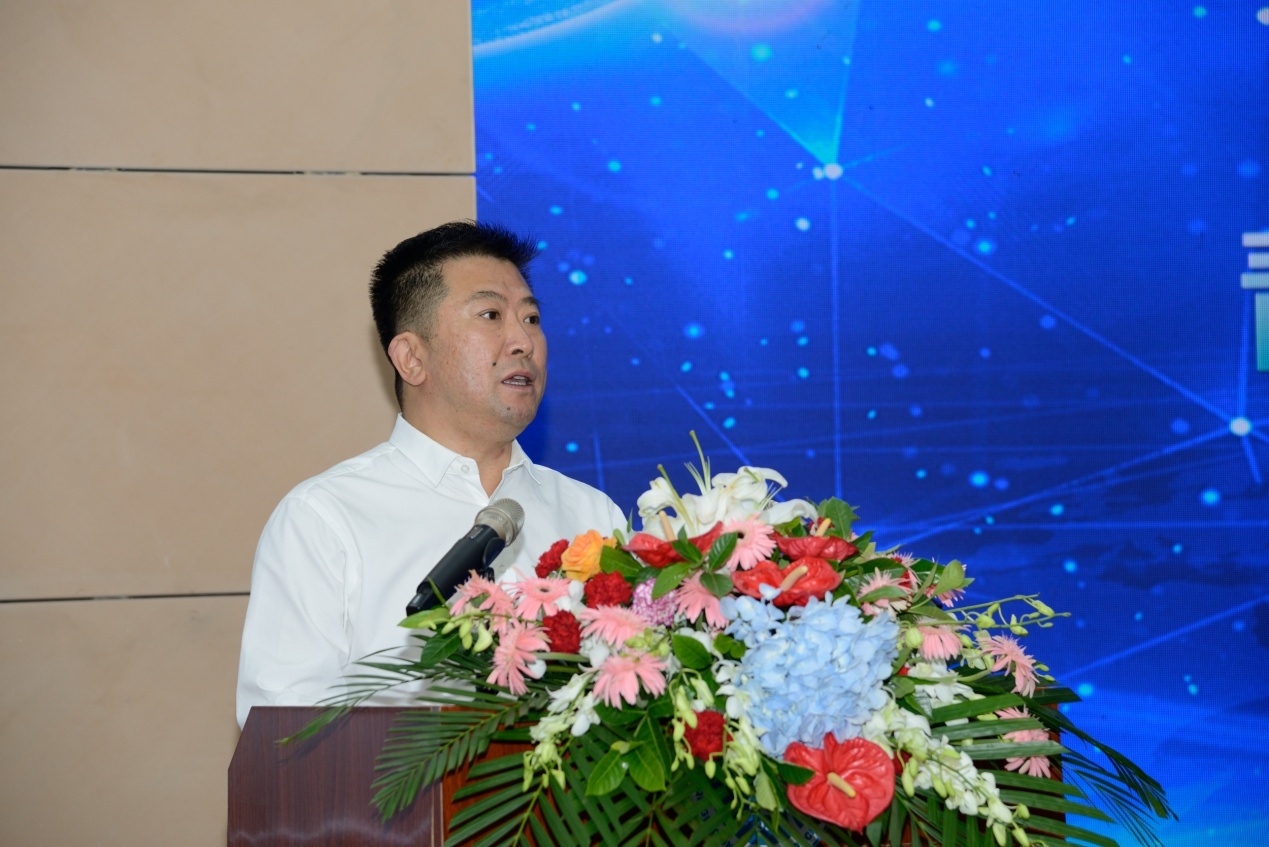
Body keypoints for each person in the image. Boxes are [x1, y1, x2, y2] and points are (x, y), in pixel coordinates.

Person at [236, 221, 625, 728]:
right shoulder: (325, 519)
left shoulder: (592, 514)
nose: (524, 341)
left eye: (531, 318)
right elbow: (282, 736)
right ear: (412, 358)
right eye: (491, 315)